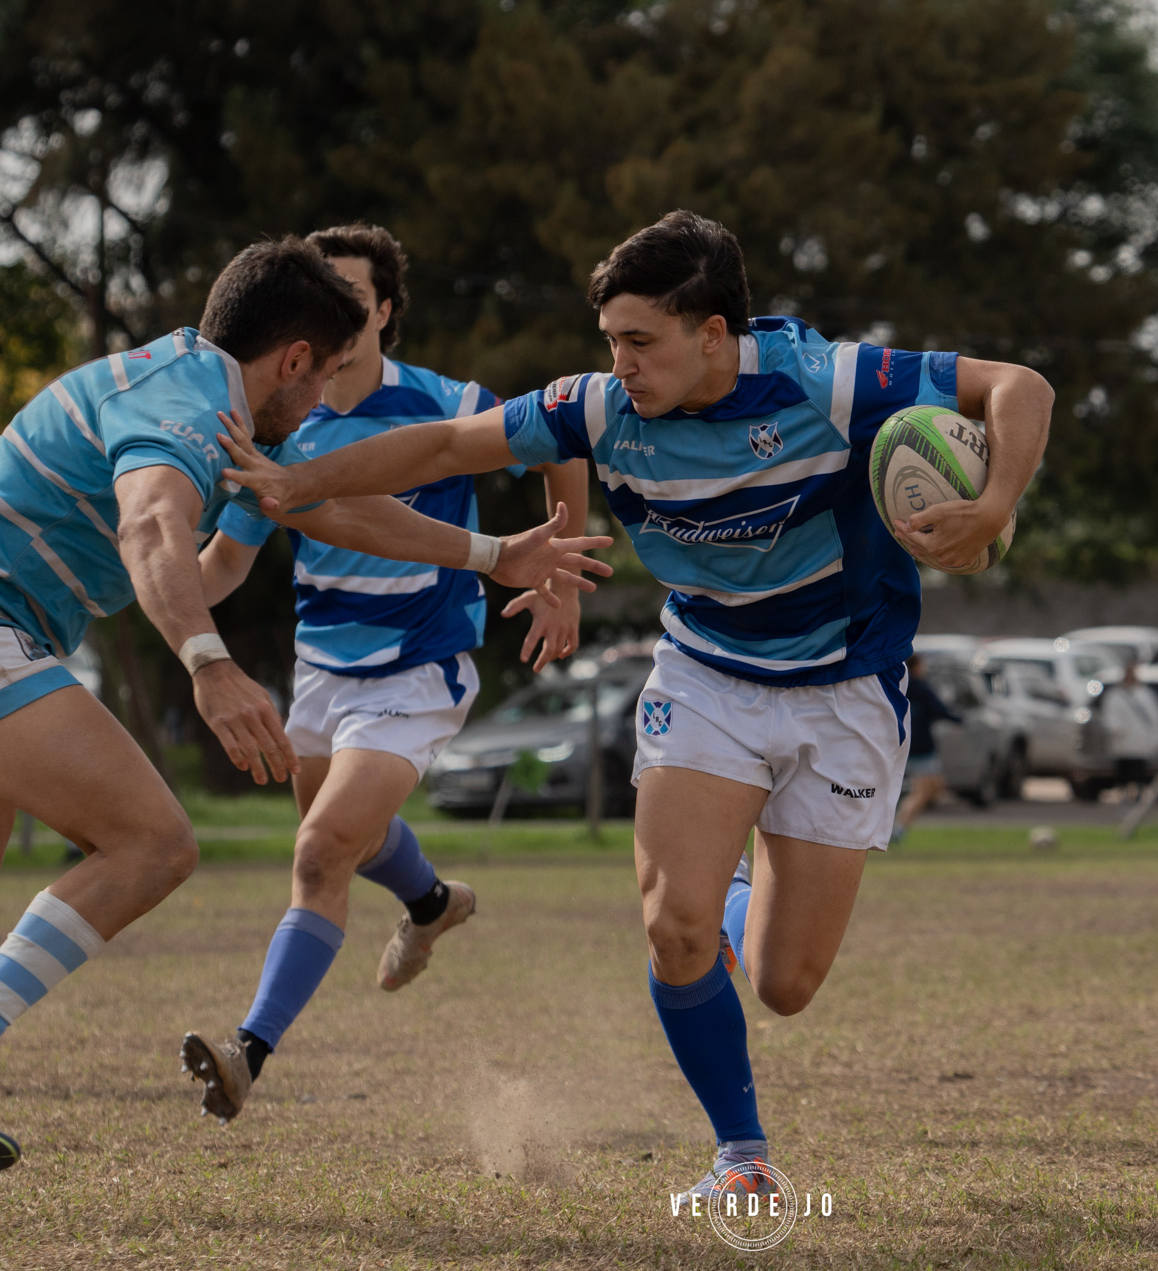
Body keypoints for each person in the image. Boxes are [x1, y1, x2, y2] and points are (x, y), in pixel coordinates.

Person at [212, 210, 1054, 1201]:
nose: (622, 364)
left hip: (845, 684)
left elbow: (1018, 386)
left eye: (641, 341)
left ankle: (740, 891)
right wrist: (294, 480)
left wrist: (994, 502)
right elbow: (441, 446)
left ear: (713, 333)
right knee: (673, 926)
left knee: (785, 982)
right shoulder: (600, 406)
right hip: (706, 674)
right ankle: (742, 1155)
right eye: (611, 339)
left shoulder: (825, 381)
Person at [0, 237, 611, 1173]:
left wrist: (496, 556)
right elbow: (153, 522)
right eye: (326, 373)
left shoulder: (206, 396)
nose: (329, 396)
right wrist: (208, 664)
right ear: (293, 359)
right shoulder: (184, 409)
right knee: (155, 843)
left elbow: (325, 507)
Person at [176, 225, 594, 1121]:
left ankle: (247, 1050)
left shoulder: (449, 402)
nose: (338, 315)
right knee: (349, 841)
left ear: (387, 312)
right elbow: (221, 565)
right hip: (322, 671)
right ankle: (434, 901)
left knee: (322, 849)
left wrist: (559, 569)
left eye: (356, 301)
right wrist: (143, 582)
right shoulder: (288, 422)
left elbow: (561, 439)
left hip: (420, 669)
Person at [890, 654, 961, 843]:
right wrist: (957, 718)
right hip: (922, 748)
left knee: (937, 786)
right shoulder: (920, 687)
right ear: (917, 666)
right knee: (924, 791)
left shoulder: (898, 685)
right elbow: (939, 709)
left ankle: (899, 815)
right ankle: (897, 828)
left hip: (906, 744)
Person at [1101, 660, 1158, 794]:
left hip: (1140, 740)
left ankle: (1138, 794)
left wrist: (1157, 738)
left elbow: (1156, 717)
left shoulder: (1145, 694)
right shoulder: (1115, 695)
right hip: (1122, 740)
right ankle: (1124, 794)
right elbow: (1109, 714)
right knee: (1124, 769)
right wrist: (1115, 729)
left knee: (1139, 770)